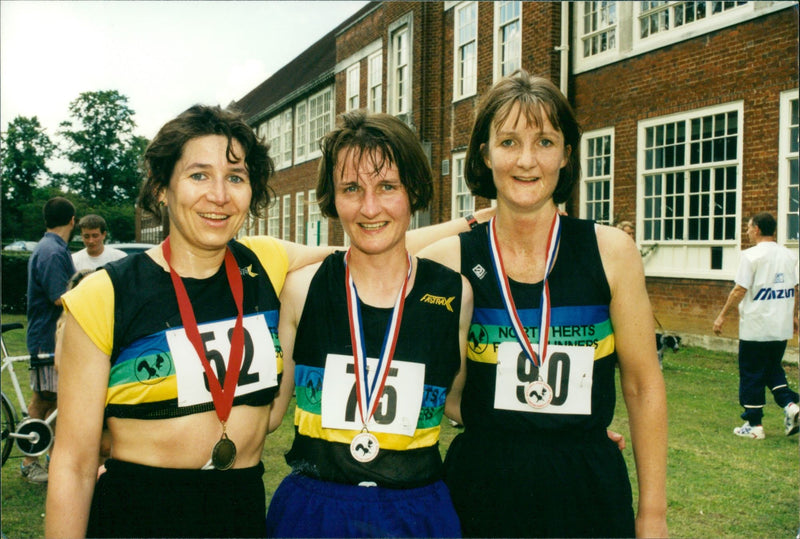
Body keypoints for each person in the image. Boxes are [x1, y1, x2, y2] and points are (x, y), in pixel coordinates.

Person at [45, 105, 332, 538]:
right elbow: (75, 463)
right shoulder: (104, 294)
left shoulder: (263, 262)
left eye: (235, 177)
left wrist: (469, 222)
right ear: (162, 189)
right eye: (199, 175)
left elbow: (373, 252)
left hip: (240, 511)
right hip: (139, 515)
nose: (219, 195)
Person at [418, 70, 668, 538]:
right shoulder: (450, 259)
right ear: (484, 154)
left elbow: (642, 385)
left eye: (545, 142)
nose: (527, 161)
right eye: (508, 142)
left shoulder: (611, 251)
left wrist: (653, 513)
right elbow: (373, 252)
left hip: (588, 486)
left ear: (566, 154)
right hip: (482, 486)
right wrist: (472, 221)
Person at [265, 110, 472, 538]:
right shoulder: (302, 290)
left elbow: (462, 405)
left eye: (388, 187)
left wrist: (566, 431)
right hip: (314, 511)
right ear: (332, 197)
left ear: (413, 190)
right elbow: (265, 416)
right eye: (352, 189)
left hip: (417, 512)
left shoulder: (455, 293)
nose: (370, 207)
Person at [713, 212, 799, 439]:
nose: (748, 231)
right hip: (780, 326)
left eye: (749, 227)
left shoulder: (750, 256)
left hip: (756, 326)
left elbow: (739, 290)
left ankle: (754, 426)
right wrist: (793, 315)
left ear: (758, 229)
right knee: (772, 368)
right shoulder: (789, 256)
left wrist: (721, 316)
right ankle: (791, 405)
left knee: (751, 372)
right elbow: (795, 288)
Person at [23, 196, 76, 484]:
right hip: (48, 338)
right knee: (49, 400)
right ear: (72, 221)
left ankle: (50, 460)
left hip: (49, 337)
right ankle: (33, 463)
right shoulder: (53, 252)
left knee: (51, 401)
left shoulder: (52, 248)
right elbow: (59, 296)